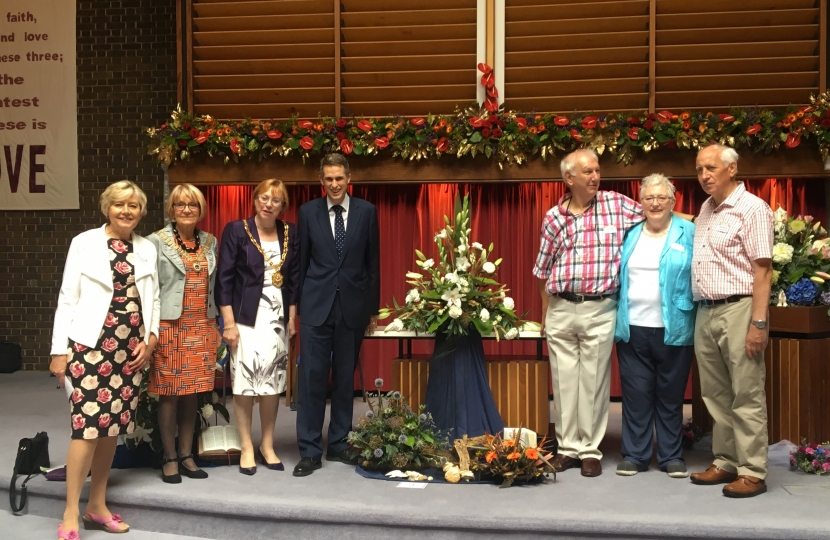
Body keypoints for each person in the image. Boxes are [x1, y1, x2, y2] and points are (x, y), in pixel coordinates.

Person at [50, 180, 160, 539]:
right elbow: (67, 297)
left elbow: (153, 299)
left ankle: (97, 505)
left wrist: (151, 339)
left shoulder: (146, 248)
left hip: (129, 351)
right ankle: (70, 511)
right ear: (107, 208)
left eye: (133, 206)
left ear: (141, 212)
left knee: (112, 427)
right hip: (88, 348)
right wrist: (57, 351)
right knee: (86, 428)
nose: (126, 211)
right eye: (119, 205)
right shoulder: (84, 243)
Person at [532, 148, 644, 478]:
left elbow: (657, 214)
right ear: (569, 178)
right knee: (564, 382)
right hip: (562, 306)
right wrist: (545, 311)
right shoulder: (553, 217)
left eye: (597, 170)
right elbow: (542, 269)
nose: (596, 176)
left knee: (594, 382)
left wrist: (695, 220)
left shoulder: (616, 204)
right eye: (588, 172)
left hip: (600, 307)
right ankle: (566, 447)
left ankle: (589, 450)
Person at [689, 144, 773, 498]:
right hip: (705, 310)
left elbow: (763, 270)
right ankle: (725, 460)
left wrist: (758, 323)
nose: (704, 175)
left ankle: (753, 469)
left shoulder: (753, 209)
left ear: (732, 169)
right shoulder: (706, 209)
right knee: (716, 394)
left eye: (711, 168)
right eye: (699, 169)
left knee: (746, 391)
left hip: (739, 309)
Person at [293, 153, 380, 477]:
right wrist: (299, 306)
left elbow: (373, 264)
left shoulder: (367, 212)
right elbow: (301, 263)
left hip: (352, 308)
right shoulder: (308, 212)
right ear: (321, 181)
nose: (333, 184)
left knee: (345, 380)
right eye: (328, 179)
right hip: (316, 307)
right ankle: (310, 450)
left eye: (338, 178)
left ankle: (340, 444)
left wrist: (372, 309)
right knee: (312, 380)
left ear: (348, 178)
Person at [613, 174, 696, 478]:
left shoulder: (689, 232)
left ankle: (671, 455)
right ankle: (635, 455)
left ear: (674, 202)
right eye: (649, 198)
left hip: (675, 327)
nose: (656, 203)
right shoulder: (629, 233)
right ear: (641, 203)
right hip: (632, 327)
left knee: (671, 395)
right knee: (636, 395)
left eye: (662, 198)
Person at [216, 178, 299, 475]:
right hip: (244, 318)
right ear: (254, 200)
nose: (268, 204)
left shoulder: (291, 232)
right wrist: (228, 324)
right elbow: (223, 280)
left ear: (282, 206)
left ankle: (267, 444)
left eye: (275, 200)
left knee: (272, 385)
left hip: (276, 319)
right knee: (245, 384)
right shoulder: (236, 230)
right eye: (264, 198)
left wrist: (291, 318)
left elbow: (294, 279)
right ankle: (247, 446)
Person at [147, 184, 218, 484]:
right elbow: (149, 288)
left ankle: (187, 454)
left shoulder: (209, 241)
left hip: (201, 325)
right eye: (180, 204)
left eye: (192, 204)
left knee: (192, 392)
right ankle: (169, 456)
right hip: (169, 326)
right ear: (171, 209)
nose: (187, 209)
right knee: (169, 393)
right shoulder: (156, 242)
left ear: (200, 209)